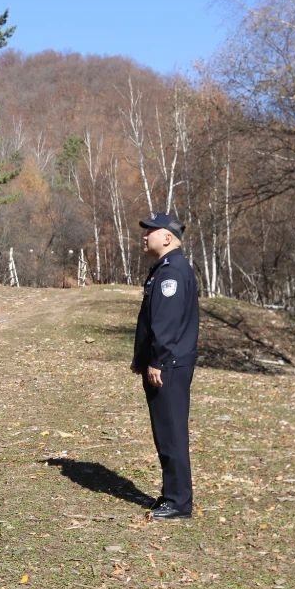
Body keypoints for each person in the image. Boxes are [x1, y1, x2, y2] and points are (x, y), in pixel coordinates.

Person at [132, 212, 200, 520]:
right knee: (166, 431)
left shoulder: (172, 272)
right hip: (166, 362)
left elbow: (166, 323)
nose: (145, 236)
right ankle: (173, 494)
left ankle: (178, 501)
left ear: (168, 237)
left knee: (171, 432)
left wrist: (157, 360)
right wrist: (141, 359)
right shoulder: (165, 269)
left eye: (151, 231)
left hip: (169, 365)